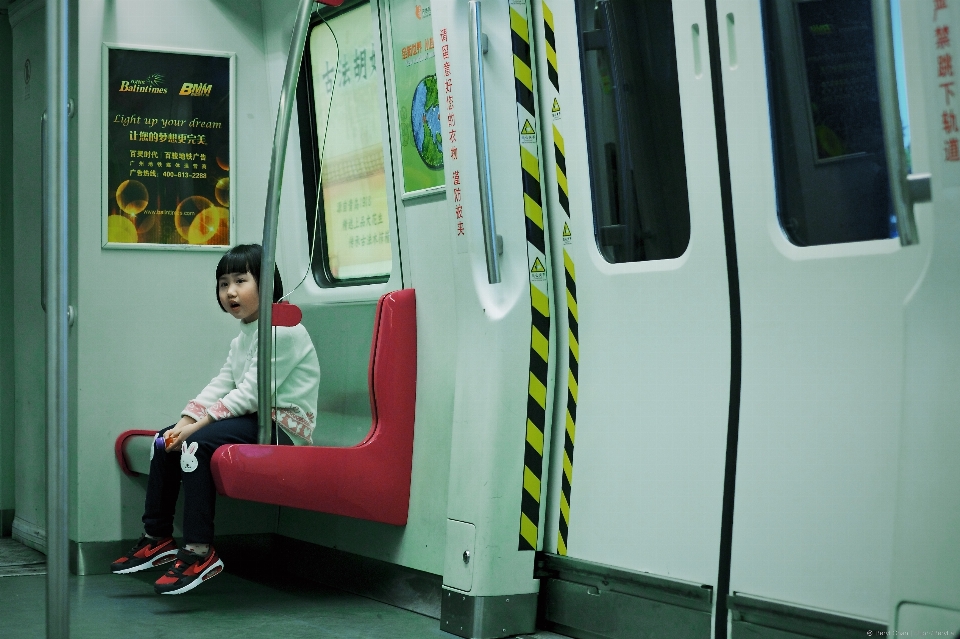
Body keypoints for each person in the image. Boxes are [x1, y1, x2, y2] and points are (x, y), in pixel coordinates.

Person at [109, 243, 320, 595]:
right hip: (255, 420)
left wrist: (197, 427)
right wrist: (183, 419)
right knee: (166, 441)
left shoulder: (283, 330)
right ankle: (157, 537)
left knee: (195, 444)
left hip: (282, 427)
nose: (231, 291)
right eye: (224, 283)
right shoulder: (245, 335)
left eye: (241, 280)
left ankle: (199, 550)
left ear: (266, 283)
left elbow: (252, 393)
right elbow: (222, 383)